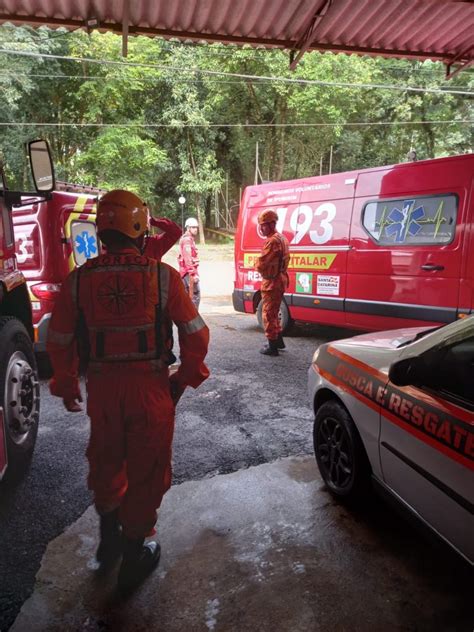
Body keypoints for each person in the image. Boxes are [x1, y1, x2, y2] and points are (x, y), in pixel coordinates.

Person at [46, 189, 210, 592]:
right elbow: (196, 335)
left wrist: (67, 384)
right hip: (150, 390)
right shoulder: (161, 275)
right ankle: (134, 551)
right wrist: (184, 378)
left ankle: (107, 545)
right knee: (148, 471)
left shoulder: (78, 280)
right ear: (139, 229)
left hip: (102, 391)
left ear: (101, 232)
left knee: (106, 461)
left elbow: (60, 338)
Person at [255, 209, 290, 356]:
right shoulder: (282, 238)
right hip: (280, 280)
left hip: (272, 282)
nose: (261, 228)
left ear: (271, 224)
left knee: (268, 314)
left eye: (263, 225)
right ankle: (278, 341)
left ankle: (272, 347)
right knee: (274, 312)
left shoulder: (272, 241)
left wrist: (256, 264)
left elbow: (261, 263)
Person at [178, 217, 200, 309]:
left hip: (186, 272)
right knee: (195, 296)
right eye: (193, 227)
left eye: (196, 227)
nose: (195, 229)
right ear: (188, 228)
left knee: (187, 297)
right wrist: (193, 274)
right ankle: (193, 319)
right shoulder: (187, 240)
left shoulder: (189, 239)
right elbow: (188, 259)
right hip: (188, 273)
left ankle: (188, 318)